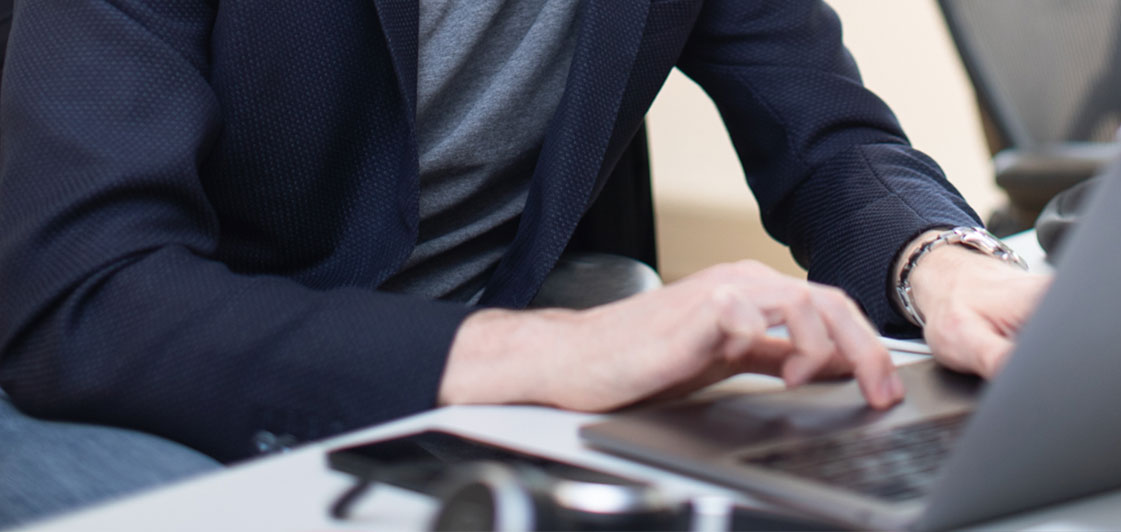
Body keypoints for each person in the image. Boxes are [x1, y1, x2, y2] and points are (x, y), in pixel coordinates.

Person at [0, 0, 1048, 526]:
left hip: (464, 394)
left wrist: (941, 263)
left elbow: (830, 139)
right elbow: (87, 294)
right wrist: (540, 351)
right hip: (130, 377)